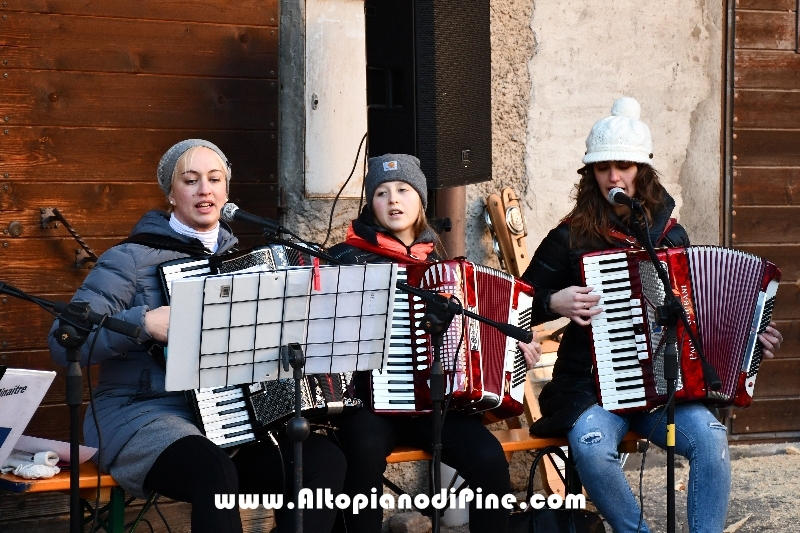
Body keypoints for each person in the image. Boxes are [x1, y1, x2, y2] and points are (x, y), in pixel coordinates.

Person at [48, 139, 346, 533]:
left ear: (226, 191)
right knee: (215, 474)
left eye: (214, 179)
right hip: (142, 415)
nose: (204, 190)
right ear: (171, 195)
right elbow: (64, 339)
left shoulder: (244, 263)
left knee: (321, 461)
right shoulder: (129, 259)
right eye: (190, 180)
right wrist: (144, 323)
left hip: (225, 416)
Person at [521, 97, 784, 533]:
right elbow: (516, 302)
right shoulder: (569, 236)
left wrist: (750, 333)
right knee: (590, 446)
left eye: (622, 166)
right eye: (603, 168)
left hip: (663, 391)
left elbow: (701, 310)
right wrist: (554, 302)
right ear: (590, 175)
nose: (613, 176)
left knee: (711, 440)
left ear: (641, 171)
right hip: (591, 389)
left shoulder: (668, 234)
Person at [326, 153, 543, 533]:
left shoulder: (442, 265)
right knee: (362, 452)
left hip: (435, 404)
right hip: (369, 404)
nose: (393, 200)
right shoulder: (345, 259)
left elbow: (478, 337)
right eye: (381, 192)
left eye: (404, 190)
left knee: (488, 457)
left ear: (420, 200)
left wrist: (517, 352)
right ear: (370, 203)